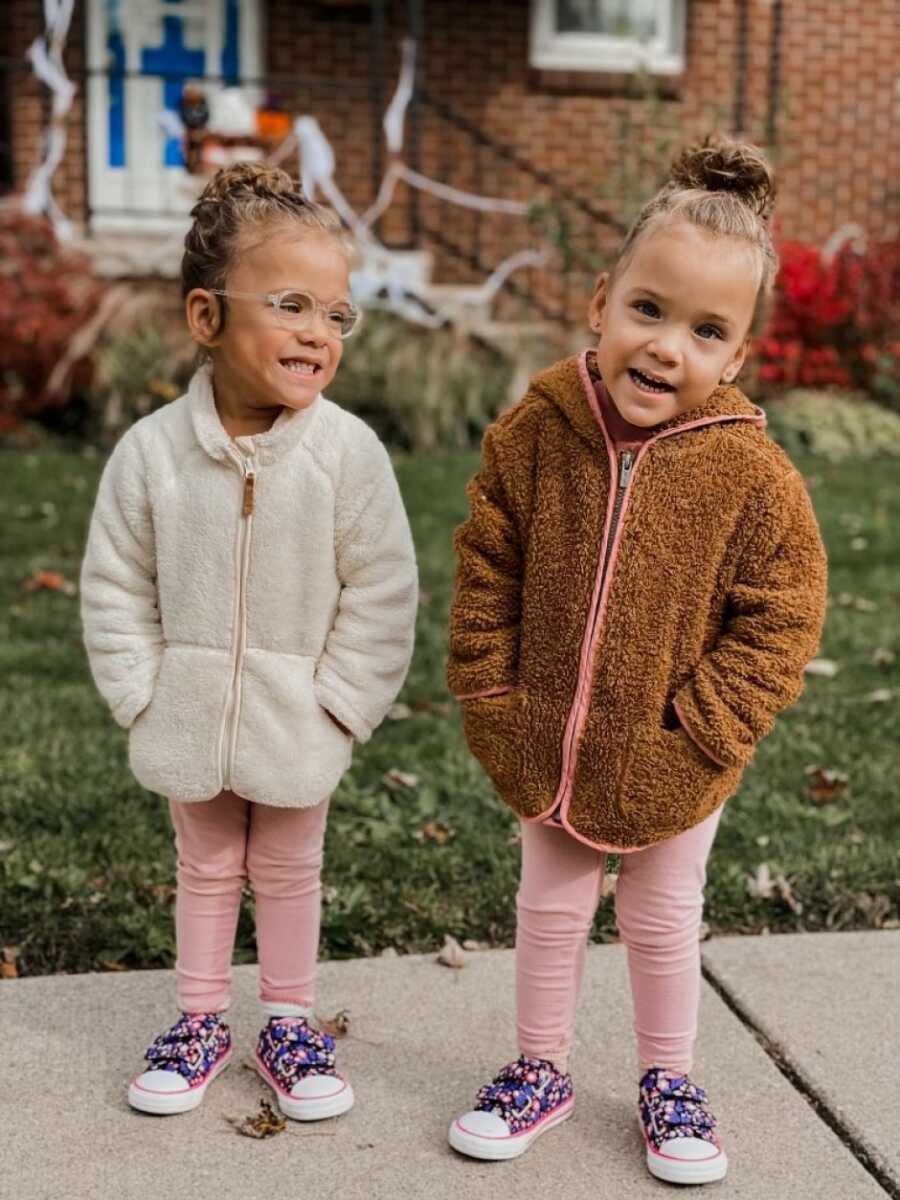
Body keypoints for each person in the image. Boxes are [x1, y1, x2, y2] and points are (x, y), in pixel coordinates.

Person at [445, 136, 827, 1185]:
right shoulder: (537, 432)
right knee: (549, 908)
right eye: (649, 311)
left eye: (708, 331)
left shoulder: (750, 475)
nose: (667, 347)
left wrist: (700, 731)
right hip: (546, 730)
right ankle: (540, 1068)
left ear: (738, 356)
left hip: (675, 753)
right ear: (603, 301)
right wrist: (490, 684)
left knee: (663, 919)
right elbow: (489, 557)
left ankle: (669, 1078)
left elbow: (784, 616)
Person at [80, 162, 418, 1121]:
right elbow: (114, 582)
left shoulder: (346, 454)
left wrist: (338, 705)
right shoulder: (151, 454)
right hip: (188, 712)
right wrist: (146, 693)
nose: (318, 331)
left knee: (289, 867)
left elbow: (383, 589)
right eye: (291, 305)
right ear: (206, 318)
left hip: (297, 720)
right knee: (204, 864)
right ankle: (198, 1018)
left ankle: (287, 1020)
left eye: (336, 315)